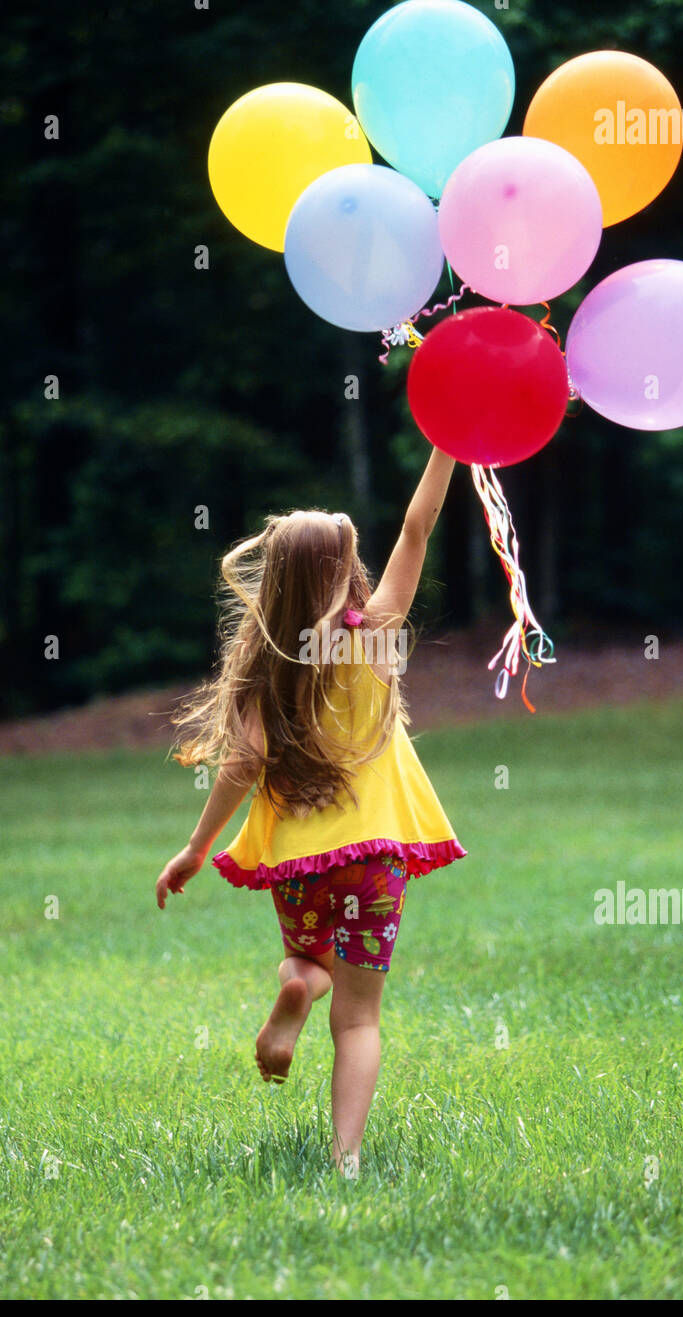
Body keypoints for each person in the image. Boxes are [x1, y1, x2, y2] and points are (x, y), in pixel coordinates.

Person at [155, 443, 467, 1178]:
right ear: (346, 571)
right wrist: (448, 441)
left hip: (301, 863)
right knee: (358, 1018)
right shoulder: (376, 630)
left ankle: (295, 984)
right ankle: (347, 1159)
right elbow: (419, 526)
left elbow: (240, 765)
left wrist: (197, 848)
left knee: (308, 955)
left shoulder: (265, 664)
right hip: (376, 861)